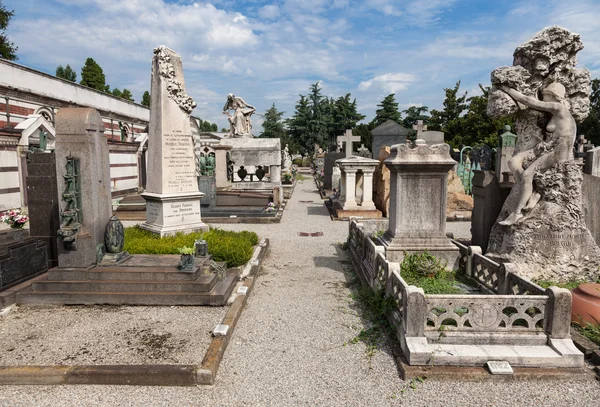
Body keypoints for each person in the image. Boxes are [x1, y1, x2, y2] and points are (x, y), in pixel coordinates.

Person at [498, 82, 576, 226]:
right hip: (548, 146)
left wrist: (509, 89)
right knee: (513, 162)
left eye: (545, 94)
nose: (543, 97)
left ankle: (517, 213)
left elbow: (529, 102)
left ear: (553, 95)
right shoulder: (554, 114)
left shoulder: (559, 108)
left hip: (559, 151)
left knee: (528, 174)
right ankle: (532, 188)